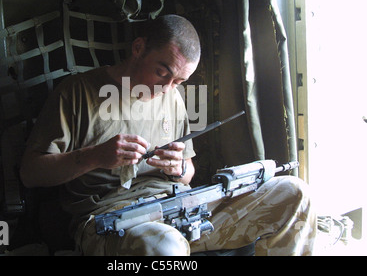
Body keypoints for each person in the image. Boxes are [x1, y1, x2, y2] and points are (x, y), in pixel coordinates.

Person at [20, 14, 316, 256]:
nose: (168, 87)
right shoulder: (76, 93)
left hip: (182, 206)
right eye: (163, 72)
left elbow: (188, 174)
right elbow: (31, 173)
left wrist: (179, 168)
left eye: (179, 80)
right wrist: (95, 157)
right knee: (165, 248)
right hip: (113, 220)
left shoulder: (172, 96)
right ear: (138, 48)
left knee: (293, 194)